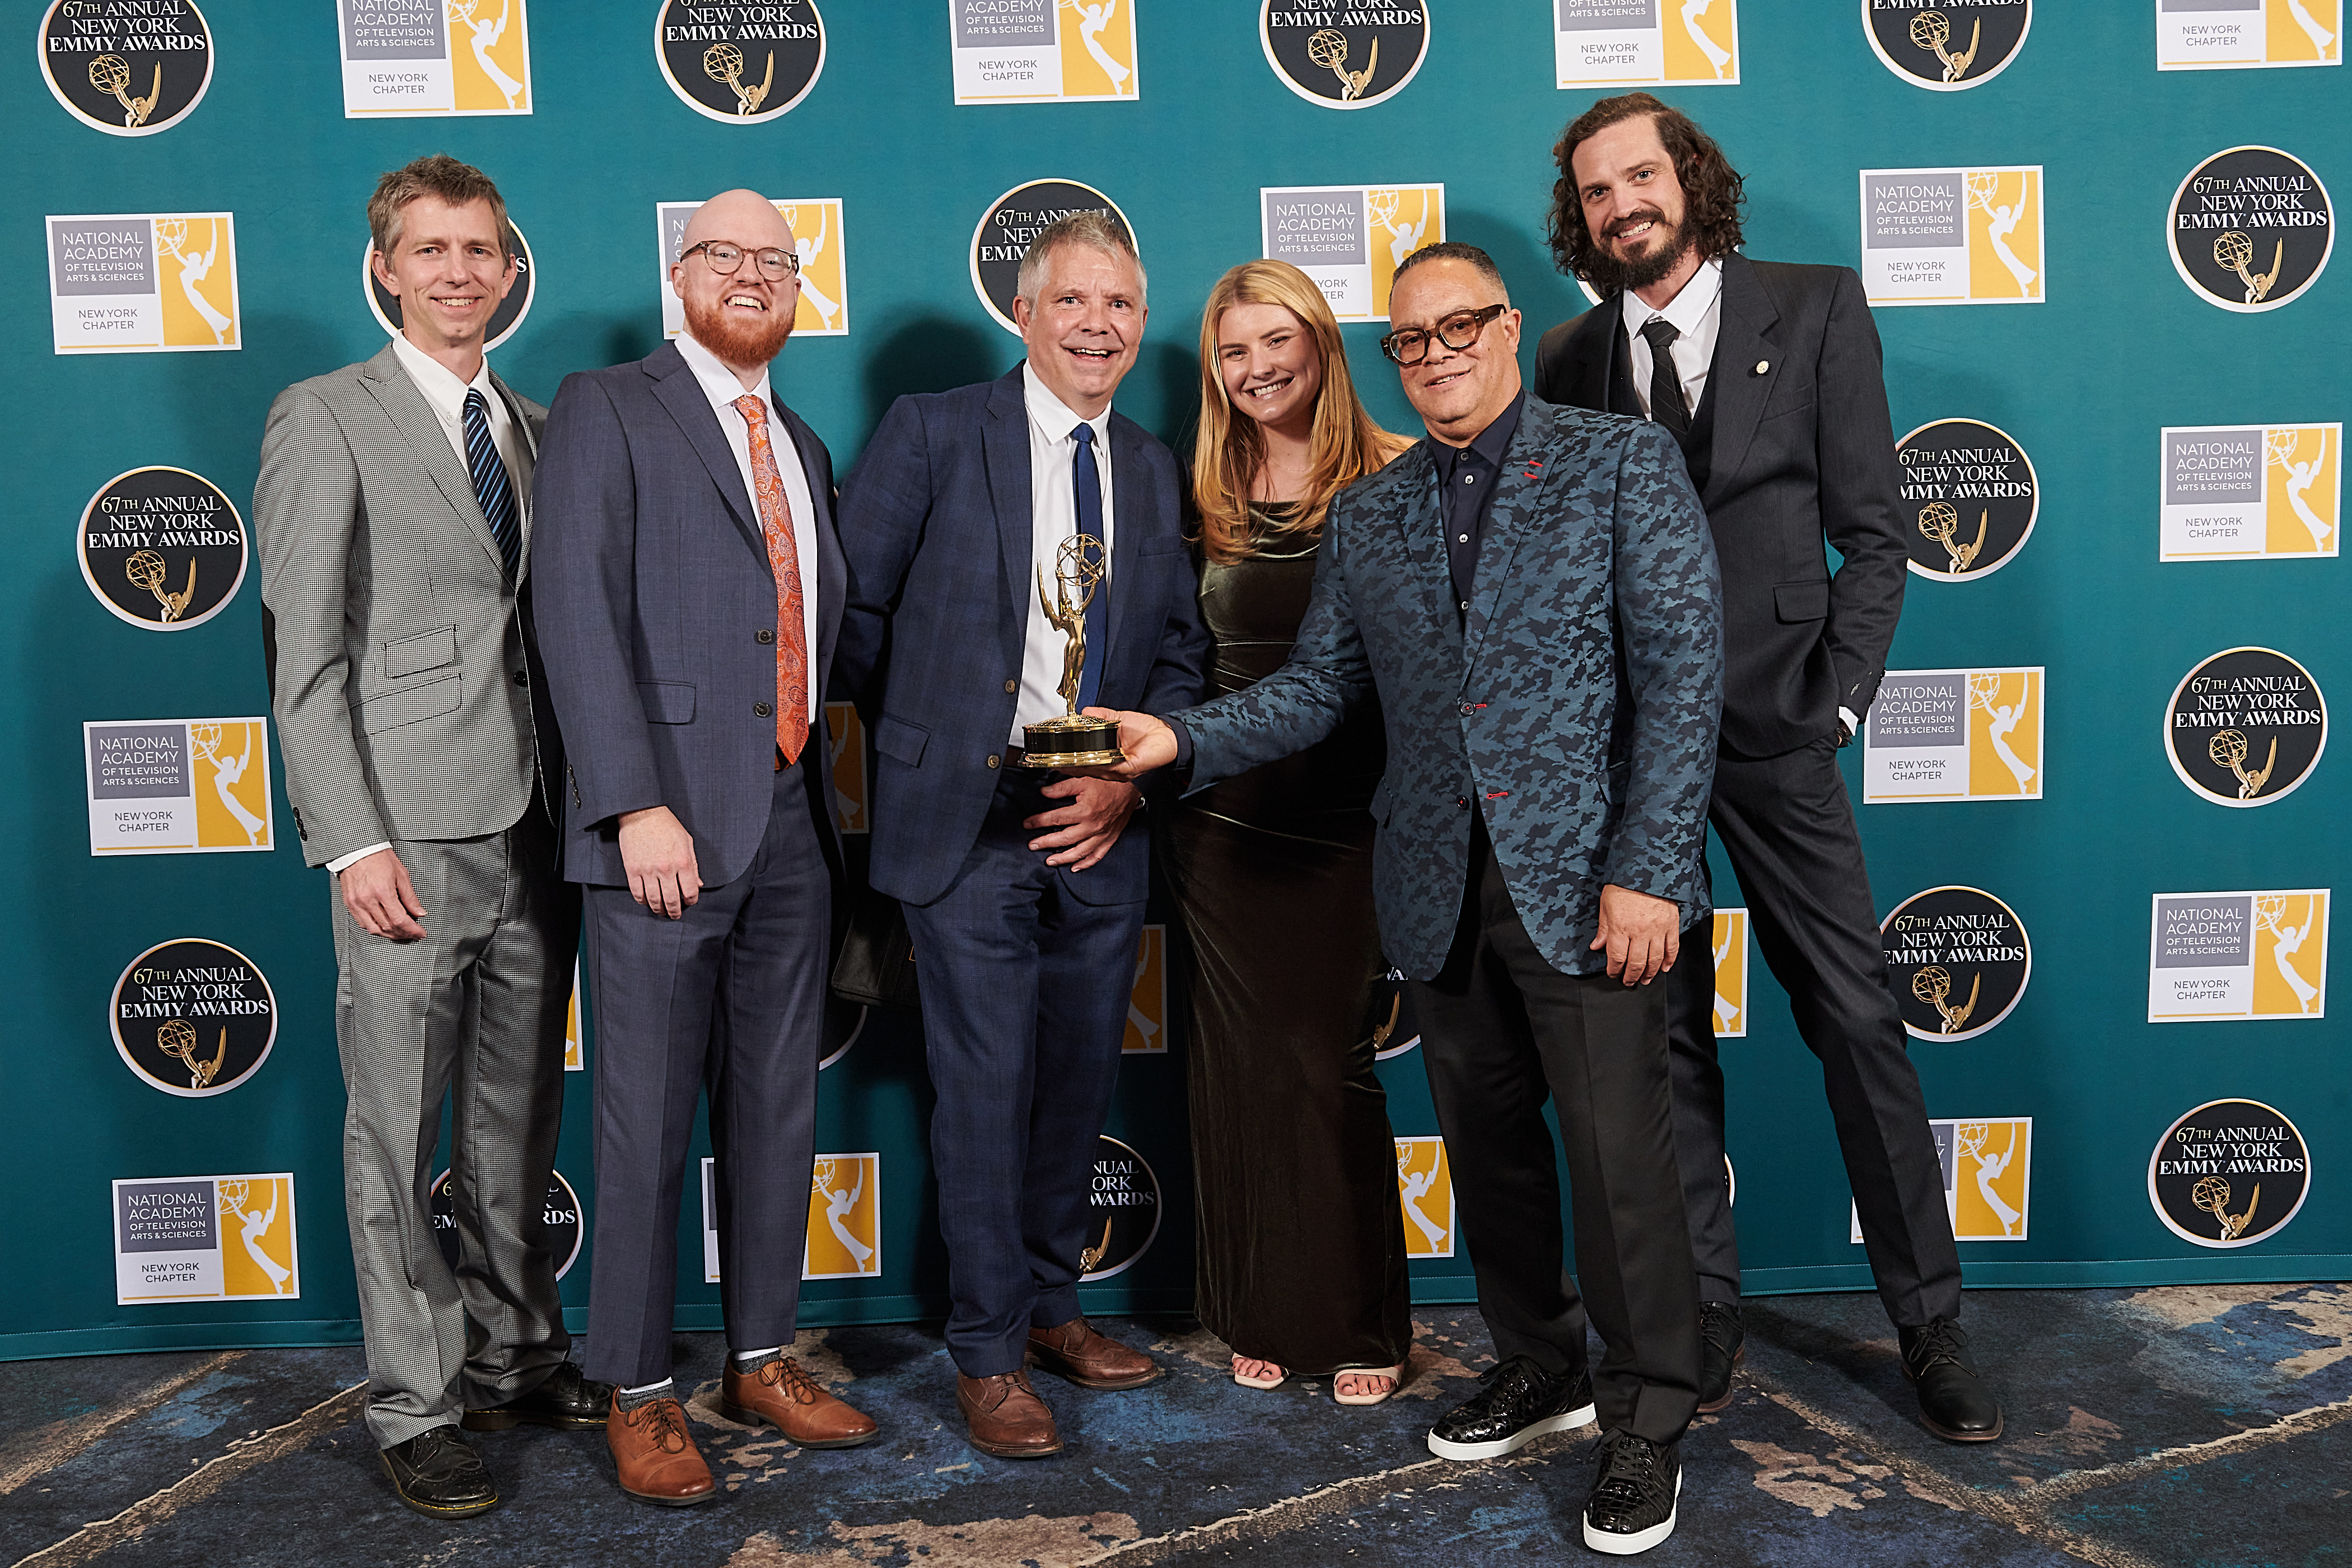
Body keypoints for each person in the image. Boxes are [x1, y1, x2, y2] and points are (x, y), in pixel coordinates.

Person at [1087, 241, 1720, 1556]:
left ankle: (1648, 1416)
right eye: (1412, 340)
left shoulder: (1618, 461)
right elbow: (1323, 687)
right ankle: (1537, 1360)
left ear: (1510, 327)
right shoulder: (1371, 512)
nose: (1436, 356)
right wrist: (1179, 738)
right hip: (1433, 887)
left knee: (1620, 1169)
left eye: (1459, 327)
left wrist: (1650, 867)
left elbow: (1681, 675)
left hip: (1590, 887)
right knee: (1489, 1155)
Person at [1532, 91, 2003, 1443]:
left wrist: (1837, 705)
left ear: (1690, 177)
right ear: (1582, 217)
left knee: (1855, 1016)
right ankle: (1702, 1308)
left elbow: (1878, 535)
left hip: (1778, 727)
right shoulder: (1568, 354)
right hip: (1627, 757)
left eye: (1641, 175)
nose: (1623, 204)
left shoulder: (1816, 305)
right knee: (1665, 1036)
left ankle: (1931, 1319)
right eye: (1598, 190)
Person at [253, 153, 605, 1519]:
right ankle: (417, 1400)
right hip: (403, 825)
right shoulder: (324, 415)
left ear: (510, 270)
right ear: (386, 268)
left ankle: (519, 1349)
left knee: (516, 1116)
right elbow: (304, 656)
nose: (459, 271)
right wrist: (351, 841)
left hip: (536, 820)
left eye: (479, 249)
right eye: (431, 249)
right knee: (395, 1130)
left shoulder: (536, 424)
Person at [833, 211, 1209, 1461]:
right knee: (986, 1089)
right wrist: (937, 739)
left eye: (1120, 305)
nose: (1099, 325)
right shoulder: (936, 431)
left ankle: (1053, 1307)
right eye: (1074, 301)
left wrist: (1129, 783)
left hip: (1101, 822)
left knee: (1076, 1080)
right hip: (968, 826)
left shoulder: (1149, 465)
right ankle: (988, 1352)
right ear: (1025, 312)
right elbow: (854, 614)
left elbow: (1178, 652)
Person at [531, 189, 877, 1506]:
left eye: (776, 259)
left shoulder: (800, 436)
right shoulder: (607, 405)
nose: (752, 273)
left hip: (792, 817)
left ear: (799, 287)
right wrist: (631, 803)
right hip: (663, 826)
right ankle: (634, 1383)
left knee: (780, 1103)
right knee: (643, 1121)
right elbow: (573, 608)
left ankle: (761, 1355)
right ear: (679, 274)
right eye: (725, 253)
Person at [1170, 259, 1416, 1406]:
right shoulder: (1198, 492)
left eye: (1278, 341)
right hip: (1221, 823)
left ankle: (1362, 1320)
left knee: (1329, 1065)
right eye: (1235, 351)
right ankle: (1257, 1308)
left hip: (1347, 819)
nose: (1258, 367)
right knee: (1240, 1073)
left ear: (1320, 343)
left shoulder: (1400, 474)